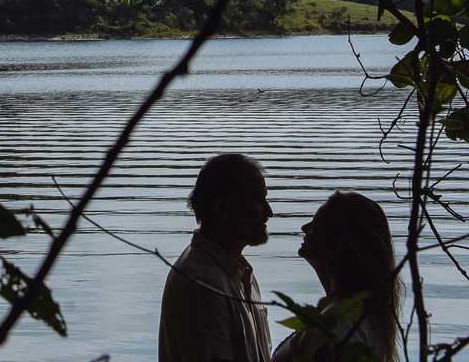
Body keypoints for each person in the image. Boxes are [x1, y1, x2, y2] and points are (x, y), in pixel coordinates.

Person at [160, 153, 274, 362]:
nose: (269, 211)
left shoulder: (239, 271)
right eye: (259, 200)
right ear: (224, 208)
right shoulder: (201, 284)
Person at [271, 192, 400, 362]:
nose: (304, 227)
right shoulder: (362, 312)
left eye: (315, 226)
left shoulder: (337, 325)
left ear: (336, 247)